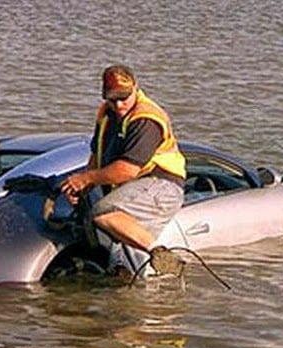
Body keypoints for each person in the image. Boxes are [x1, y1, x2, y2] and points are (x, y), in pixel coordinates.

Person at [60, 64, 187, 275]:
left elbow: (127, 170)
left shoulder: (146, 118)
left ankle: (160, 253)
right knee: (119, 270)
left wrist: (86, 178)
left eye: (124, 98)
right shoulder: (106, 115)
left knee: (103, 212)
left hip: (161, 185)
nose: (118, 105)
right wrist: (84, 187)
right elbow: (96, 157)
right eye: (112, 99)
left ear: (136, 87)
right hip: (130, 192)